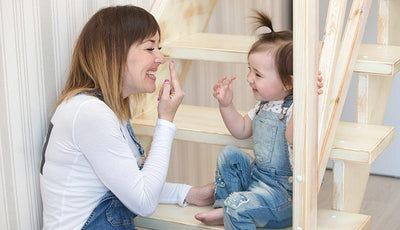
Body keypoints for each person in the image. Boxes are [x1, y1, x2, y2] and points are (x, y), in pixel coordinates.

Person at [39, 5, 213, 230]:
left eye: (158, 47)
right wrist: (165, 120)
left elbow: (133, 183)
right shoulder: (90, 114)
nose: (160, 57)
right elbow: (144, 201)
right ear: (116, 53)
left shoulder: (107, 110)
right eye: (150, 48)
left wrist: (188, 193)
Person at [194, 11, 323, 229]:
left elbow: (293, 137)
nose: (249, 78)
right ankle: (224, 208)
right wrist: (226, 105)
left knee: (237, 204)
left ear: (288, 83)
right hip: (257, 180)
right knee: (230, 154)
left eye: (258, 75)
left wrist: (305, 96)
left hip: (283, 197)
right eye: (249, 70)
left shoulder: (296, 109)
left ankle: (232, 209)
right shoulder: (264, 105)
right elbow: (242, 129)